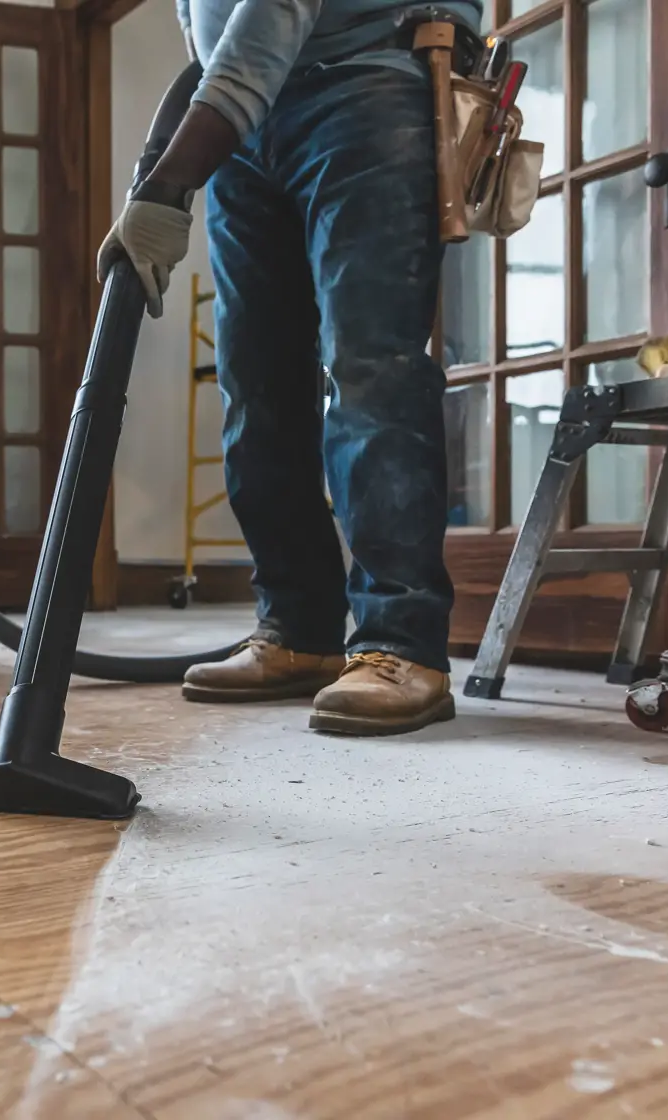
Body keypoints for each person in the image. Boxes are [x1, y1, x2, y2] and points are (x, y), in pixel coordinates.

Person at [99, 0, 481, 736]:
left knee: (371, 371)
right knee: (255, 384)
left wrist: (170, 181)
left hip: (365, 83)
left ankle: (400, 644)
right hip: (246, 121)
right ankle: (300, 631)